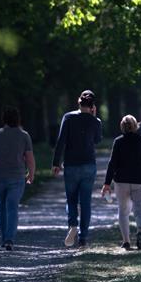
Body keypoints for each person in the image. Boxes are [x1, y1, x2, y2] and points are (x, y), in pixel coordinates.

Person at [52, 90, 103, 248]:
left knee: (71, 199)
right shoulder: (96, 121)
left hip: (71, 165)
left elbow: (61, 141)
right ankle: (83, 238)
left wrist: (55, 163)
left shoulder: (68, 117)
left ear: (78, 101)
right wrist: (94, 118)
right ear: (93, 106)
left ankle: (73, 224)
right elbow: (97, 140)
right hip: (88, 165)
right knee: (86, 202)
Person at [0, 106, 36, 251]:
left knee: (1, 208)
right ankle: (10, 238)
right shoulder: (24, 136)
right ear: (18, 119)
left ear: (3, 119)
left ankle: (4, 237)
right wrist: (31, 173)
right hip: (17, 178)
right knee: (12, 207)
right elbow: (29, 158)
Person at [101, 115, 141, 250]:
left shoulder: (118, 142)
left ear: (122, 126)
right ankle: (140, 231)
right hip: (140, 180)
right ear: (136, 125)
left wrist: (107, 183)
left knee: (123, 211)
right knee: (140, 210)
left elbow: (112, 164)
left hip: (121, 181)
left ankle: (126, 241)